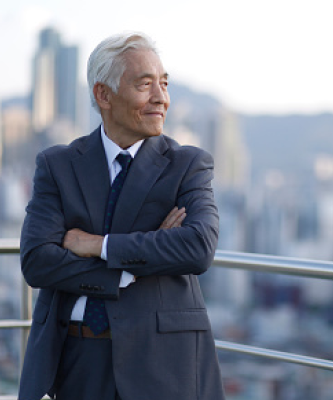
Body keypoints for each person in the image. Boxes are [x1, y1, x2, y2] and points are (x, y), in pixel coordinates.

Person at [18, 32, 225, 400]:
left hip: (161, 364)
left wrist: (96, 245)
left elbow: (197, 247)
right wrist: (135, 265)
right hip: (76, 360)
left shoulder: (188, 165)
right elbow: (37, 261)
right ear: (104, 95)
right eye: (145, 85)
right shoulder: (57, 164)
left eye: (163, 84)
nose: (161, 98)